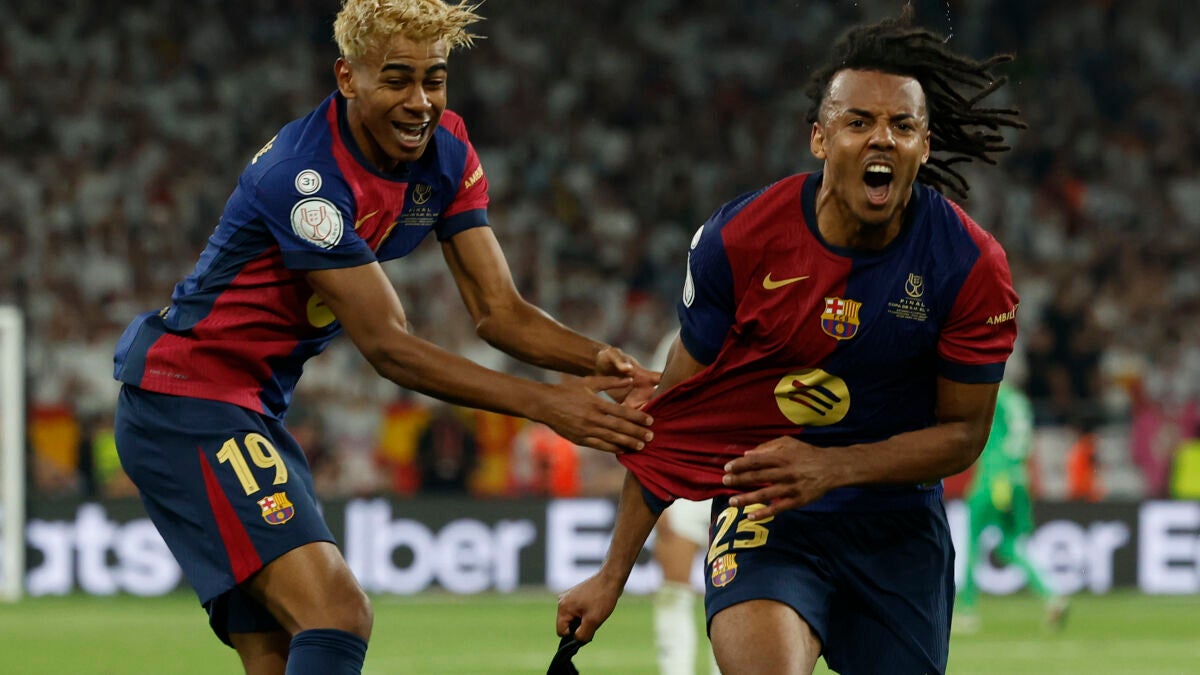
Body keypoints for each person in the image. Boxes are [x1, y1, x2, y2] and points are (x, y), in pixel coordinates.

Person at [111, 2, 656, 674]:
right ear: (347, 77)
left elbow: (499, 311)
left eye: (435, 80)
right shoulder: (305, 181)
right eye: (397, 79)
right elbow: (389, 346)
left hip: (248, 408)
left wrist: (603, 360)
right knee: (336, 612)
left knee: (282, 649)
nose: (420, 102)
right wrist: (546, 403)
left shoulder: (446, 149)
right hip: (187, 402)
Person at [556, 13, 1024, 675]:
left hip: (896, 522)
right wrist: (611, 574)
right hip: (767, 506)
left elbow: (964, 435)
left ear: (924, 145)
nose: (881, 137)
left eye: (902, 125)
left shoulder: (970, 265)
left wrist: (831, 467)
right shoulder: (741, 239)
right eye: (858, 121)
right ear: (819, 137)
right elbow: (674, 419)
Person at [956, 382, 1068, 634]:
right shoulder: (1020, 401)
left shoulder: (991, 394)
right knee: (1009, 544)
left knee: (972, 543)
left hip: (992, 479)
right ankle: (1051, 595)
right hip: (1018, 480)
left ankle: (967, 611)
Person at [647, 331, 717, 675]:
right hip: (684, 478)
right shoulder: (682, 338)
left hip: (742, 476)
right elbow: (654, 413)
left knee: (738, 591)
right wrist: (656, 491)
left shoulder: (768, 327)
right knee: (674, 589)